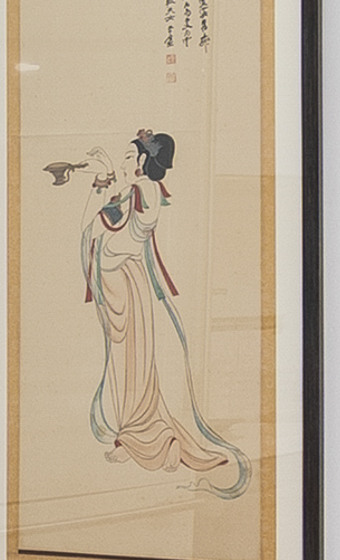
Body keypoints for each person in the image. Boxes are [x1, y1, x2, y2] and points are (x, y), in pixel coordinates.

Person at [47, 129, 249, 497]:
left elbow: (120, 232)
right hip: (113, 286)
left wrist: (109, 180)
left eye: (129, 157)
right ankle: (130, 434)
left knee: (136, 366)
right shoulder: (128, 192)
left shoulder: (146, 193)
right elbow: (87, 227)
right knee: (120, 367)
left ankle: (155, 438)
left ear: (142, 162)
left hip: (128, 284)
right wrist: (105, 176)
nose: (125, 162)